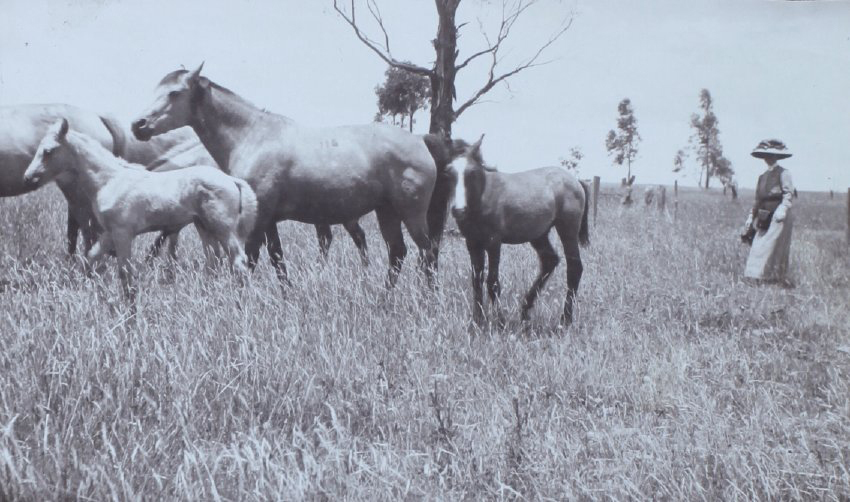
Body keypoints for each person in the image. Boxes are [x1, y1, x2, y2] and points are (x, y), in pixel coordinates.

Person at [741, 139, 795, 286]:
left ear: (777, 157)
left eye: (771, 155)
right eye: (766, 155)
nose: (768, 158)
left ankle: (774, 279)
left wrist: (783, 208)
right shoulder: (762, 177)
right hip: (764, 215)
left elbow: (788, 194)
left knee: (773, 246)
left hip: (779, 215)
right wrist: (751, 217)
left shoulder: (784, 173)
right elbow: (758, 199)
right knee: (759, 245)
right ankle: (757, 277)